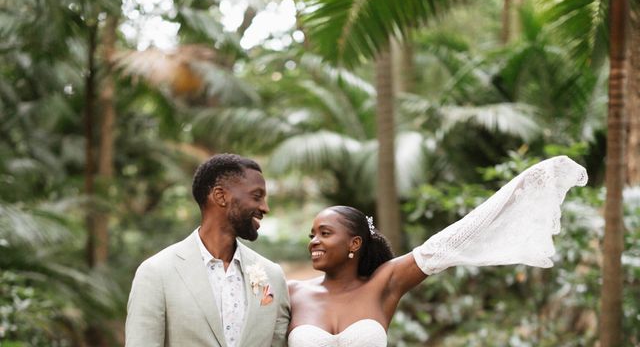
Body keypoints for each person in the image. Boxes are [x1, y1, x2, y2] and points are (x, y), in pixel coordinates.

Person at [287, 155, 588, 347]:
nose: (314, 241)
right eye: (312, 234)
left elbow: (450, 242)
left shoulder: (384, 283)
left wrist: (523, 186)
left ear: (355, 243)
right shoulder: (290, 291)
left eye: (325, 234)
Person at [125, 153, 290, 347]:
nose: (265, 207)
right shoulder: (156, 272)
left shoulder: (272, 275)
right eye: (256, 196)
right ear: (220, 196)